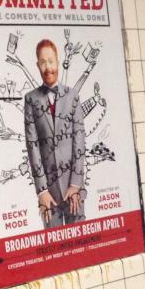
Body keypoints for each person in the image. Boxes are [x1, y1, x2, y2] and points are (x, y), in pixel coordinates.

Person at [24, 39, 86, 227]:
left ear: (58, 62)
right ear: (37, 65)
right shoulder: (31, 99)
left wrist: (75, 184)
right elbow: (32, 147)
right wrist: (42, 191)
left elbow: (80, 141)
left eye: (51, 61)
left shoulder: (72, 96)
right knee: (54, 247)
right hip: (48, 195)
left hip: (73, 190)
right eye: (43, 62)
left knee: (81, 242)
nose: (48, 67)